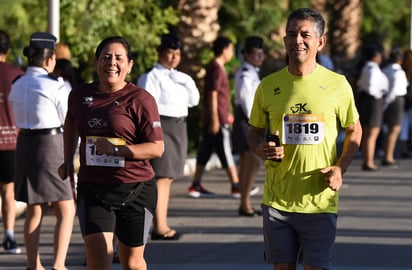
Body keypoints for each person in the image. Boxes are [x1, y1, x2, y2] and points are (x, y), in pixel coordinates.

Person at [247, 8, 362, 270]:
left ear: (319, 42)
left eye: (304, 34)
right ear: (284, 40)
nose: (297, 40)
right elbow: (253, 131)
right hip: (278, 200)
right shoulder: (268, 85)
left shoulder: (337, 84)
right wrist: (260, 148)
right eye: (291, 34)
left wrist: (340, 168)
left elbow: (355, 129)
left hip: (319, 200)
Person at [58, 36, 163, 270]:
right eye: (106, 57)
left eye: (118, 58)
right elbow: (71, 122)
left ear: (130, 65)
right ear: (97, 63)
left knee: (133, 263)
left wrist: (118, 150)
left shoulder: (140, 100)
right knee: (99, 258)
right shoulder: (79, 95)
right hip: (93, 187)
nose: (112, 63)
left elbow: (156, 148)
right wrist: (67, 159)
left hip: (135, 188)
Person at [9, 32, 76, 270]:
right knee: (66, 208)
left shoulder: (17, 84)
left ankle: (33, 265)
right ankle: (58, 265)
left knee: (33, 208)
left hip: (24, 144)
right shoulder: (56, 84)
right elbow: (68, 119)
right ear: (49, 60)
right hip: (50, 145)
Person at [137, 33, 199, 240]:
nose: (174, 57)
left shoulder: (179, 77)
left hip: (179, 126)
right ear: (161, 53)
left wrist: (185, 79)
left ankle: (159, 223)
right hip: (161, 126)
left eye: (177, 53)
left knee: (168, 177)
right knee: (162, 178)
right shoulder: (151, 76)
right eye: (170, 53)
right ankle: (160, 226)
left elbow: (193, 100)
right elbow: (147, 107)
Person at [187, 36, 241, 198]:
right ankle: (236, 185)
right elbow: (212, 93)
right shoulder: (216, 68)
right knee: (225, 151)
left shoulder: (218, 67)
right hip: (217, 120)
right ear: (224, 50)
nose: (232, 53)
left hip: (219, 117)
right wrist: (216, 119)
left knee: (205, 151)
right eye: (231, 49)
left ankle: (195, 184)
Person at [232, 36, 264, 216]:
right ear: (247, 55)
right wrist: (257, 121)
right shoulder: (245, 74)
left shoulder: (251, 72)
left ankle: (244, 204)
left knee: (247, 162)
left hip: (248, 119)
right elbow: (246, 101)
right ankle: (245, 203)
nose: (260, 57)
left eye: (261, 53)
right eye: (256, 54)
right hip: (247, 120)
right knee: (253, 161)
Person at [0, 30, 24, 254]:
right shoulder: (18, 75)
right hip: (11, 142)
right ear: (7, 50)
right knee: (8, 191)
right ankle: (9, 237)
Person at [357, 44, 389, 171]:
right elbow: (370, 87)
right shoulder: (372, 69)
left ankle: (367, 160)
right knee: (372, 132)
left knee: (369, 133)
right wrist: (378, 93)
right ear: (375, 56)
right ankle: (368, 161)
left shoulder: (368, 67)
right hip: (373, 100)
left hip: (369, 100)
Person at [381, 47, 408, 167]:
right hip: (396, 101)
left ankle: (388, 155)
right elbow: (393, 90)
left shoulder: (386, 69)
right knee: (394, 129)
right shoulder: (399, 72)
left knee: (391, 129)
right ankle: (388, 156)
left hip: (391, 100)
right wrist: (387, 104)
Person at [399, 49, 412, 158]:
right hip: (408, 102)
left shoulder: (402, 70)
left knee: (404, 127)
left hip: (404, 101)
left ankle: (404, 149)